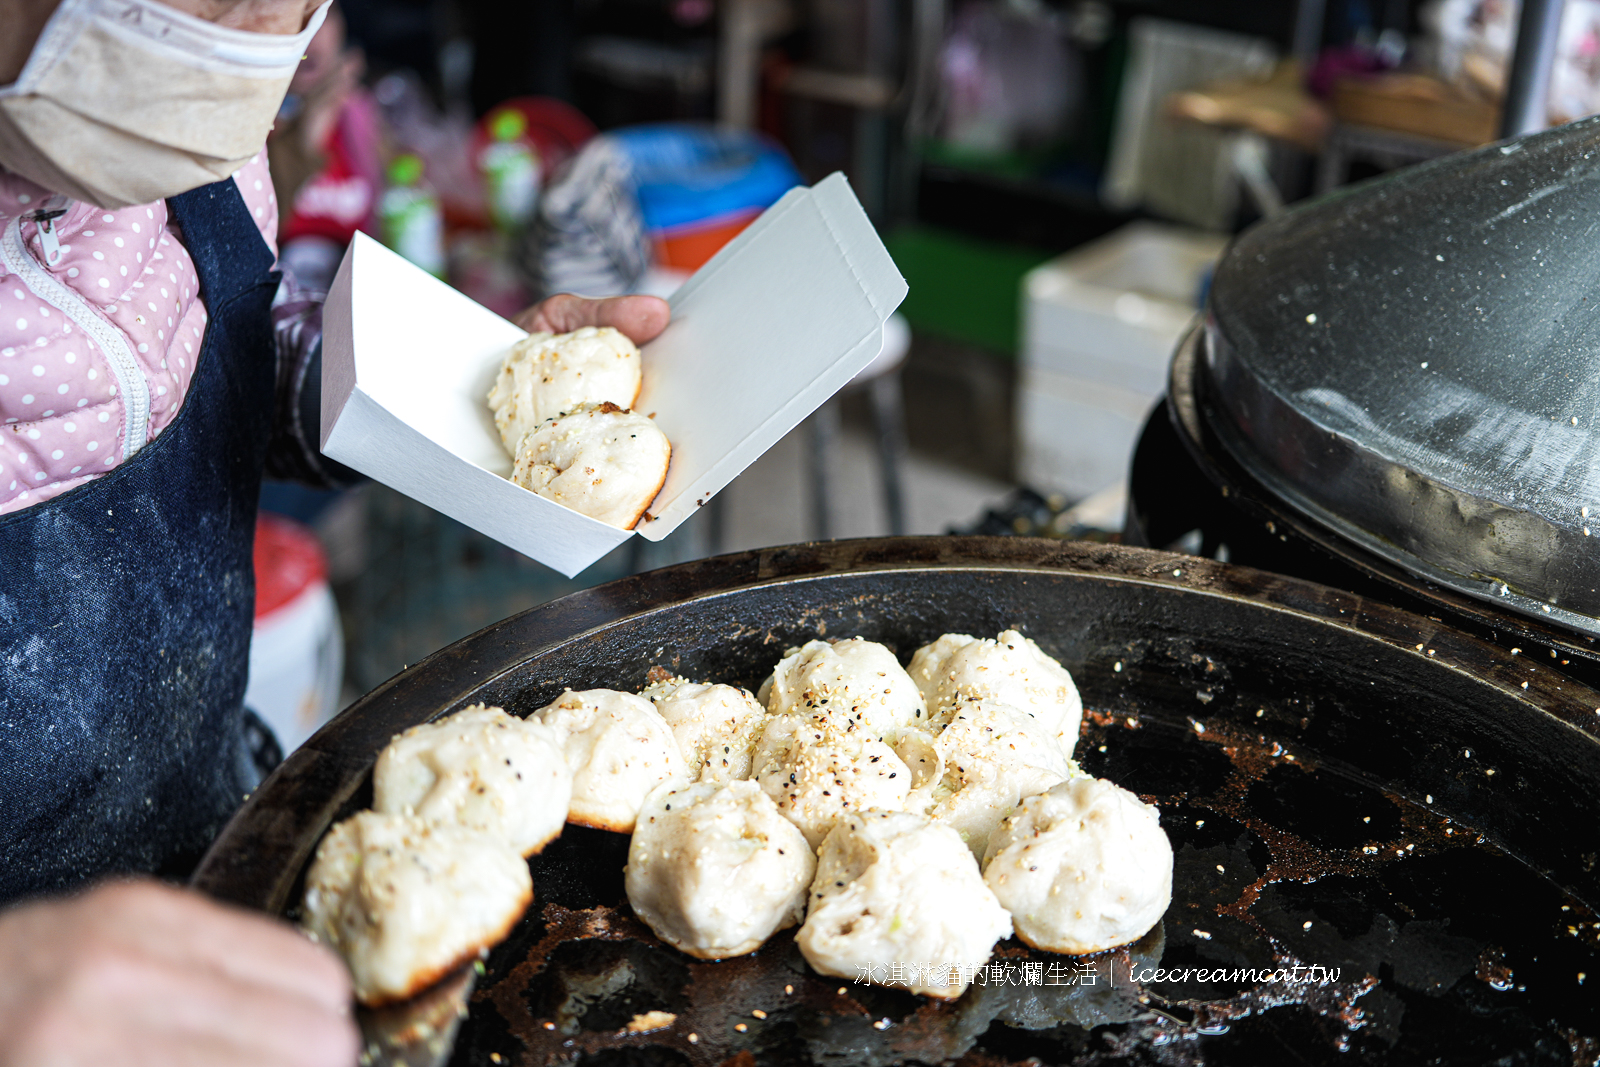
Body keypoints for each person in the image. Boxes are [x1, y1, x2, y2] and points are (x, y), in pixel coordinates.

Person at [0, 0, 668, 1062]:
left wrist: (468, 392)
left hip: (213, 838)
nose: (260, 32)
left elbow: (220, 360)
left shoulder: (172, 125)